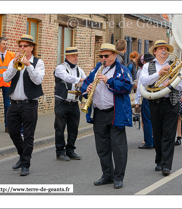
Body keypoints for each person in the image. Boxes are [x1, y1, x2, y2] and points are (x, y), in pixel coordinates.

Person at [81, 43, 133, 189]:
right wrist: (87, 88)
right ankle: (107, 175)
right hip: (99, 113)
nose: (103, 59)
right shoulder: (96, 69)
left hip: (115, 113)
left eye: (106, 56)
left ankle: (118, 177)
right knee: (102, 147)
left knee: (118, 147)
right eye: (101, 56)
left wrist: (108, 81)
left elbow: (127, 87)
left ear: (114, 55)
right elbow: (84, 85)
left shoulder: (121, 69)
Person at [140, 40, 182, 176]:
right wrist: (159, 74)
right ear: (155, 52)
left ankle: (166, 165)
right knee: (158, 134)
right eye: (160, 48)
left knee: (168, 134)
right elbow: (143, 81)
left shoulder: (175, 65)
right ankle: (159, 160)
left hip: (171, 103)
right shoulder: (147, 66)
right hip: (154, 102)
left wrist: (171, 83)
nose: (163, 50)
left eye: (165, 48)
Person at [3, 34, 45, 176]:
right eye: (20, 46)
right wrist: (15, 65)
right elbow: (5, 78)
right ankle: (22, 155)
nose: (22, 48)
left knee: (28, 135)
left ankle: (25, 164)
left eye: (25, 46)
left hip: (30, 104)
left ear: (32, 47)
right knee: (13, 132)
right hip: (14, 104)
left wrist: (28, 65)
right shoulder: (13, 61)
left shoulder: (38, 63)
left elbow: (38, 80)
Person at [54, 47, 86, 161]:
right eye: (73, 56)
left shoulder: (79, 70)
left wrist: (85, 85)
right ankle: (60, 152)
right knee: (60, 128)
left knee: (74, 128)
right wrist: (81, 80)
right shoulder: (60, 68)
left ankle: (70, 150)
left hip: (74, 103)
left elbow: (84, 82)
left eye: (77, 56)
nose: (76, 58)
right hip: (61, 102)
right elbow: (67, 78)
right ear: (67, 57)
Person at [135, 53, 154, 149]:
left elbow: (139, 86)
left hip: (147, 96)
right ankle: (154, 141)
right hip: (155, 96)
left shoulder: (142, 71)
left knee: (147, 121)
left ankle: (149, 142)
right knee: (154, 120)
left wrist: (137, 100)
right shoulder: (155, 68)